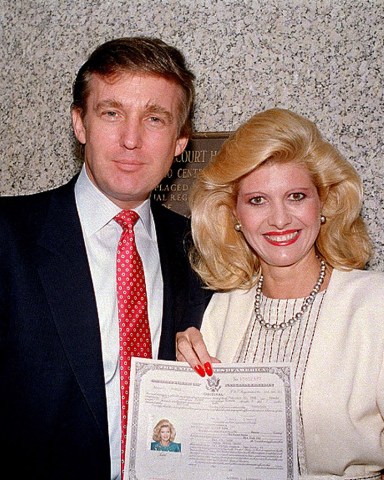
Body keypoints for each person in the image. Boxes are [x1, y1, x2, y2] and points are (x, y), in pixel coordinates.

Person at [0, 37, 210, 480]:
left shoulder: (202, 252)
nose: (131, 140)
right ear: (80, 124)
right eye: (111, 113)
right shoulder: (7, 236)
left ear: (180, 141)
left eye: (155, 119)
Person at [176, 108, 384, 479]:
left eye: (296, 196)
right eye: (257, 200)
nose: (280, 219)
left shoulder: (374, 304)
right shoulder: (222, 308)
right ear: (234, 214)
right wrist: (181, 385)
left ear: (324, 203)